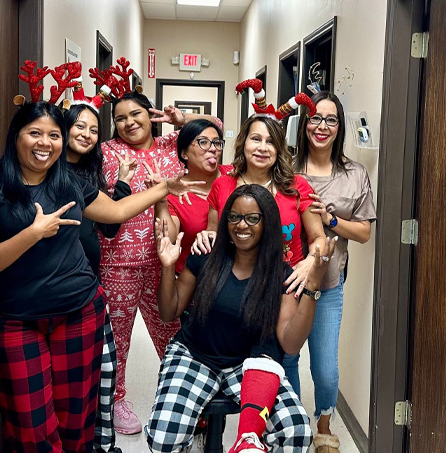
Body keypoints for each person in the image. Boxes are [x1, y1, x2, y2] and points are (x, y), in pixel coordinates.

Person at [0, 95, 206, 452]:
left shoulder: (69, 181)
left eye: (53, 135)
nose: (45, 143)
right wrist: (32, 234)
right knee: (31, 429)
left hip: (79, 313)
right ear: (15, 135)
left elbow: (115, 212)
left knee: (78, 421)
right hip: (15, 320)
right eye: (35, 133)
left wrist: (163, 189)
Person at [145, 184, 336, 453]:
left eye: (252, 218)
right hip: (195, 356)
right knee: (163, 438)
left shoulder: (281, 275)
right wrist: (167, 267)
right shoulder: (206, 256)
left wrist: (312, 286)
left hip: (249, 366)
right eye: (234, 217)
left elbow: (290, 344)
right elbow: (168, 312)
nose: (241, 225)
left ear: (267, 223)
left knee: (295, 431)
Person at [99, 63, 222, 434]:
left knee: (171, 335)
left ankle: (183, 398)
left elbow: (214, 127)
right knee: (117, 339)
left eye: (135, 114)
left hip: (163, 262)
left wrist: (182, 119)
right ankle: (116, 401)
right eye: (120, 118)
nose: (129, 123)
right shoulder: (107, 152)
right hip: (118, 263)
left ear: (149, 115)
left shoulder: (172, 145)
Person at [282, 91, 376, 453]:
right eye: (315, 118)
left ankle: (323, 425)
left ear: (339, 127)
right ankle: (292, 422)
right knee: (287, 358)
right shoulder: (285, 169)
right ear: (304, 123)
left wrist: (331, 220)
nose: (322, 126)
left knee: (324, 368)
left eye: (331, 119)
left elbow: (364, 233)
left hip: (329, 285)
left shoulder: (354, 174)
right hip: (287, 284)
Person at [192, 87, 325, 291]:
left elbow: (318, 238)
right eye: (256, 139)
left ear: (278, 149)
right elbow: (213, 233)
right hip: (232, 285)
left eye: (271, 142)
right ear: (243, 142)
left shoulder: (297, 186)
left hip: (285, 285)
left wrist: (310, 262)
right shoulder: (222, 185)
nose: (262, 148)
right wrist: (205, 236)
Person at [65, 101, 135, 453]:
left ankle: (102, 444)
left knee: (102, 371)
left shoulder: (90, 174)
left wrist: (122, 182)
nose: (87, 134)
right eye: (79, 126)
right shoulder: (51, 172)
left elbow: (109, 227)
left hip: (90, 286)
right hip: (62, 290)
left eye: (94, 130)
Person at [154, 119, 232, 278]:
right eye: (203, 142)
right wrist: (160, 197)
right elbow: (170, 239)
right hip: (193, 276)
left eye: (217, 143)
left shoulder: (234, 174)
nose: (213, 149)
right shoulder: (174, 192)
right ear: (184, 153)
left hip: (236, 273)